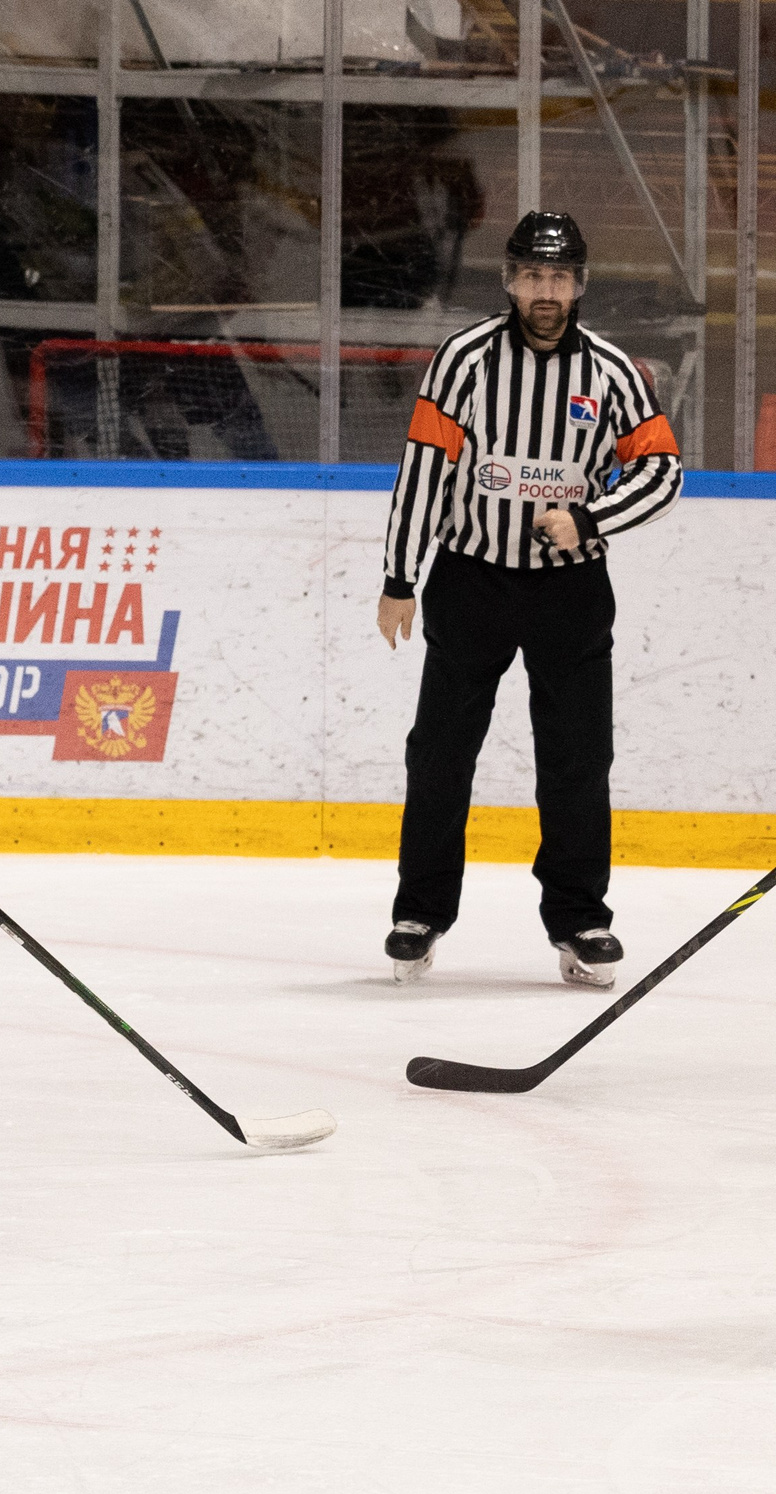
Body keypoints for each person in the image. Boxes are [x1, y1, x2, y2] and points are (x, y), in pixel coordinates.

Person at [376, 211, 682, 987]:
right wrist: (399, 576)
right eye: (532, 276)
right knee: (440, 754)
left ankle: (581, 917)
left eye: (559, 277)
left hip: (571, 592)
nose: (545, 291)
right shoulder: (464, 361)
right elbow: (423, 471)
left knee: (578, 759)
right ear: (510, 280)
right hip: (471, 578)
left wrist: (587, 518)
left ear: (579, 284)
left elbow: (662, 473)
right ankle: (420, 911)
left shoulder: (613, 373)